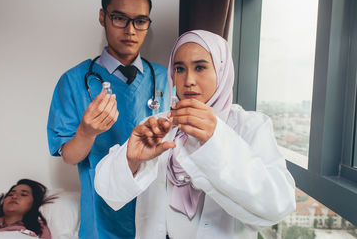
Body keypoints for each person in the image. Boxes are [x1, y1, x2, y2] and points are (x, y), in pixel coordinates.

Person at [94, 30, 296, 238]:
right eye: (179, 68)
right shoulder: (156, 126)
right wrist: (131, 160)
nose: (188, 80)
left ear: (222, 69)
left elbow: (277, 207)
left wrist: (215, 139)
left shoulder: (250, 126)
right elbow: (108, 191)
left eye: (200, 67)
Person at [47, 0, 169, 238]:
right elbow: (69, 155)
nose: (130, 30)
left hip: (155, 218)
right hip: (100, 222)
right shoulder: (74, 81)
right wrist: (86, 132)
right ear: (103, 17)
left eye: (140, 21)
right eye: (119, 18)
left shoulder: (164, 77)